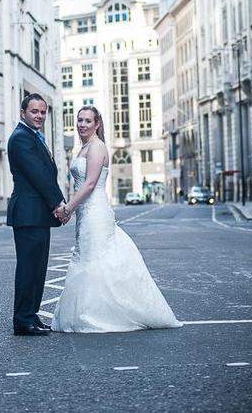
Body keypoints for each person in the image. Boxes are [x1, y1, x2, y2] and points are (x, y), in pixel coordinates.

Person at [51, 106, 182, 333]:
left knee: (95, 258)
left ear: (97, 124)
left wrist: (69, 207)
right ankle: (86, 311)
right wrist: (73, 208)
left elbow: (90, 184)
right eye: (79, 120)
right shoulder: (83, 148)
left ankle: (99, 314)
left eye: (87, 121)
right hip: (86, 212)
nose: (82, 124)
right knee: (87, 256)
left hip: (95, 211)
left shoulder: (97, 147)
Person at [7, 93, 70, 336]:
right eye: (34, 111)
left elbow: (45, 173)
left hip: (36, 213)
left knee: (38, 269)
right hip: (28, 213)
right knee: (28, 269)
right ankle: (23, 320)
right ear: (23, 113)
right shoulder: (21, 138)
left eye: (43, 112)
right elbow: (39, 175)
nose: (40, 116)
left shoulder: (32, 136)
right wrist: (58, 204)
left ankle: (31, 316)